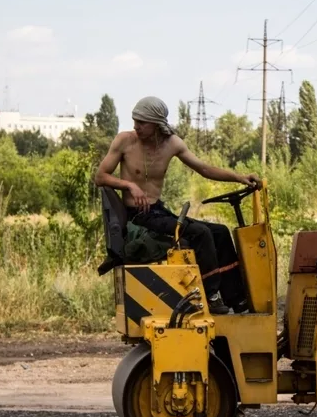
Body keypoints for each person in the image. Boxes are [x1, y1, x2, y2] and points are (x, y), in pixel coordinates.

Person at [94, 96, 260, 315]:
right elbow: (100, 176)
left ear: (156, 124)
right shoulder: (125, 141)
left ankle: (236, 299)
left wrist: (239, 177)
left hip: (158, 211)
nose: (136, 126)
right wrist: (129, 186)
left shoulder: (172, 144)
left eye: (142, 122)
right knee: (200, 233)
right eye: (135, 120)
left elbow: (205, 169)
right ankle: (210, 296)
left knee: (220, 232)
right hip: (139, 216)